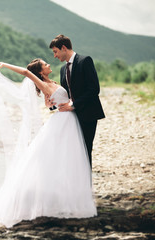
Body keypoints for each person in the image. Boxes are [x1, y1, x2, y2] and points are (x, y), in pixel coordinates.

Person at [0, 58, 97, 228]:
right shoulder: (42, 83)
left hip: (67, 120)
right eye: (45, 64)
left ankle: (64, 197)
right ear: (40, 72)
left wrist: (53, 104)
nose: (48, 65)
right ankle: (50, 200)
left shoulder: (52, 82)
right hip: (62, 122)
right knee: (53, 158)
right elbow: (26, 72)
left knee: (66, 158)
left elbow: (55, 103)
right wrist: (4, 65)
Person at [49, 34, 105, 166]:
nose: (55, 56)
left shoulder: (85, 61)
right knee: (72, 151)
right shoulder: (63, 69)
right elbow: (65, 94)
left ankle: (86, 185)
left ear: (64, 48)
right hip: (70, 117)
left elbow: (94, 89)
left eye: (55, 52)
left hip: (88, 114)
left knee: (85, 151)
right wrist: (52, 104)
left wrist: (73, 105)